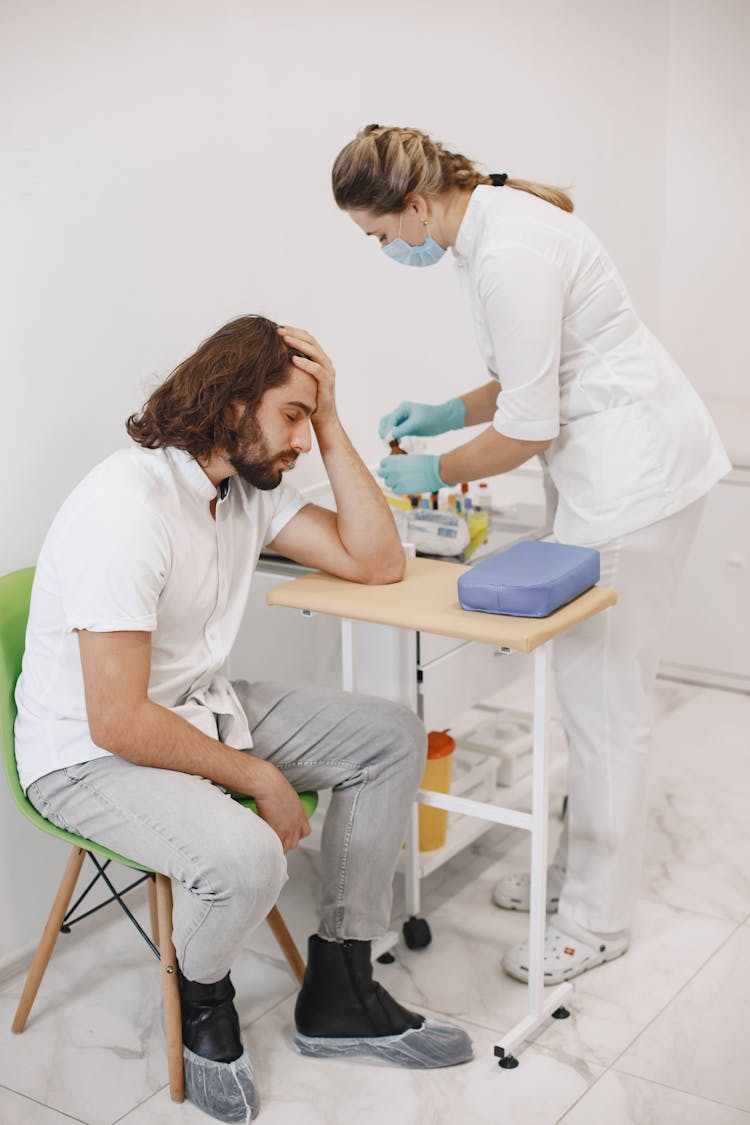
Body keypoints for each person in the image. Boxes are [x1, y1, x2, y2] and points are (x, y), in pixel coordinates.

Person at [14, 315, 472, 1124]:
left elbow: (378, 561)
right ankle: (204, 1000)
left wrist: (329, 421)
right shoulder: (128, 508)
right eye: (292, 415)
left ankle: (340, 986)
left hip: (194, 710)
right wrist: (259, 776)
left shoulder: (241, 489)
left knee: (390, 735)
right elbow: (117, 718)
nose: (299, 438)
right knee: (250, 856)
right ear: (232, 406)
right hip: (87, 756)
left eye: (308, 419)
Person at [331, 124, 730, 987]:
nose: (383, 249)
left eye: (378, 234)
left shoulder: (508, 248)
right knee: (591, 698)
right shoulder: (489, 223)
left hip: (634, 484)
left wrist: (434, 466)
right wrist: (447, 409)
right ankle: (576, 876)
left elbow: (528, 423)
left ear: (414, 204)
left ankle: (595, 920)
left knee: (605, 708)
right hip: (619, 467)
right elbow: (528, 373)